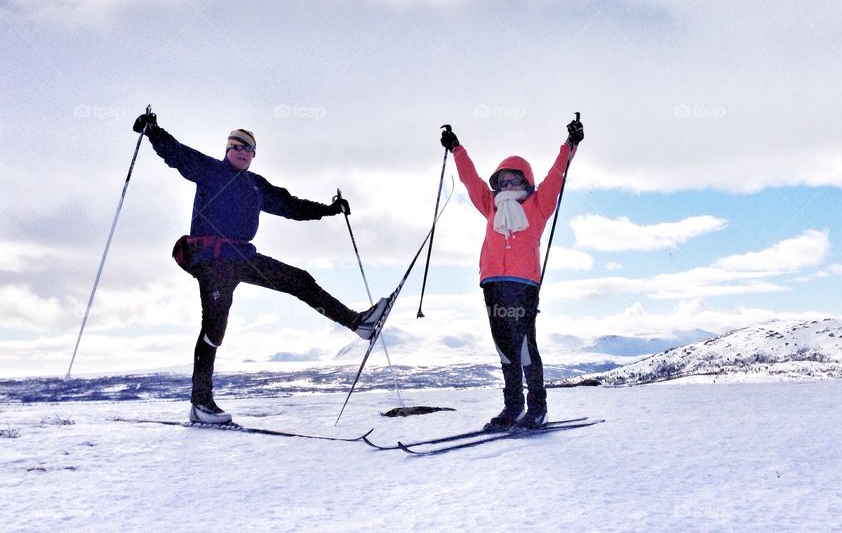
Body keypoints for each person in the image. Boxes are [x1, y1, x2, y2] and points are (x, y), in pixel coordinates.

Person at [133, 111, 388, 424]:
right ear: (227, 151)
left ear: (253, 155)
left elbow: (290, 205)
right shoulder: (210, 171)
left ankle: (358, 324)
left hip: (241, 258)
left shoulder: (256, 185)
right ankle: (201, 404)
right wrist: (153, 131)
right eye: (236, 147)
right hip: (212, 262)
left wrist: (329, 210)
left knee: (298, 279)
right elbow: (177, 154)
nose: (242, 152)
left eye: (248, 149)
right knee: (214, 332)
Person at [441, 117, 584, 430]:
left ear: (526, 182)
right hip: (492, 282)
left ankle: (538, 408)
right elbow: (471, 180)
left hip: (523, 285)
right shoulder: (490, 206)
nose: (507, 186)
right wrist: (456, 149)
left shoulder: (538, 205)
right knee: (504, 349)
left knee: (524, 348)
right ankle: (513, 408)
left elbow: (556, 176)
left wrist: (569, 146)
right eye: (502, 181)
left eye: (513, 180)